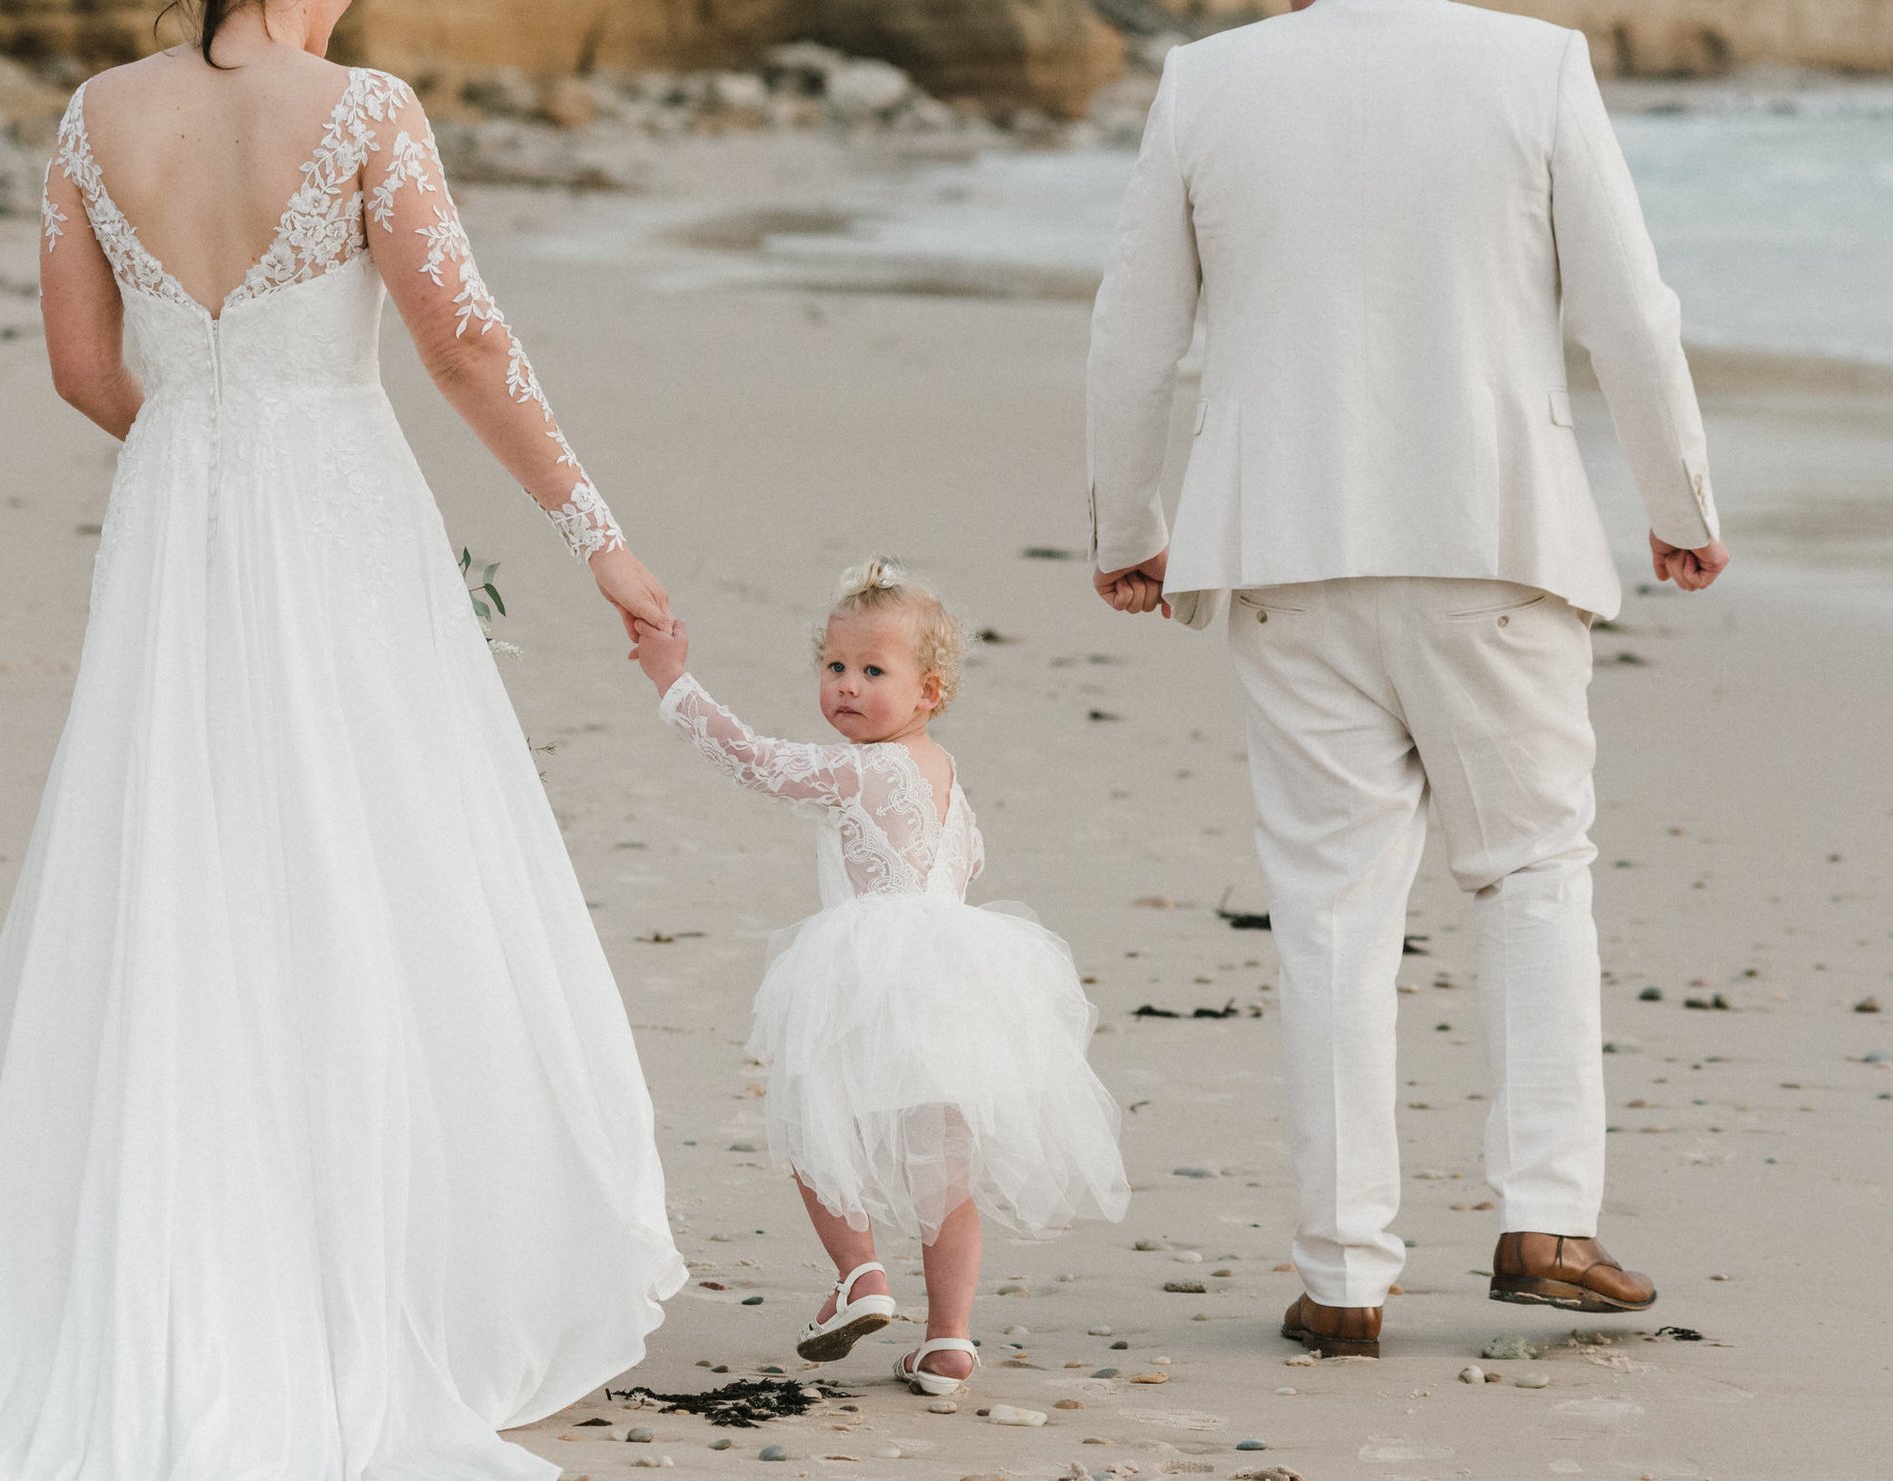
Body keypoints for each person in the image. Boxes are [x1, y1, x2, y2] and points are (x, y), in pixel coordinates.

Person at [0, 0, 685, 1481]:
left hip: (181, 507)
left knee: (176, 856)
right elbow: (466, 342)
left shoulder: (95, 113)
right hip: (337, 502)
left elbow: (82, 365)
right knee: (377, 846)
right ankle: (387, 1271)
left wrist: (200, 443)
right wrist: (598, 540)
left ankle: (154, 1258)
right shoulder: (365, 109)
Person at [1087, 0, 1729, 1358]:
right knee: (1534, 871)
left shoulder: (1210, 80)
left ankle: (1342, 1274)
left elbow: (1133, 328)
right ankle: (1546, 1220)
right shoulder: (1532, 63)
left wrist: (1128, 525)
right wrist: (1679, 497)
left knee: (1327, 905)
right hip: (1493, 540)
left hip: (1283, 547)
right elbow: (1631, 308)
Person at [632, 563, 1129, 1397]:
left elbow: (755, 761)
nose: (847, 688)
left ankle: (859, 1273)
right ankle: (949, 1340)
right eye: (834, 667)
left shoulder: (861, 770)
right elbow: (966, 863)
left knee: (815, 1124)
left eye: (872, 672)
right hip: (959, 977)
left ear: (928, 689)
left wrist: (673, 682)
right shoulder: (944, 774)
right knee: (945, 1167)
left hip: (867, 968)